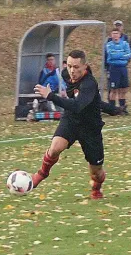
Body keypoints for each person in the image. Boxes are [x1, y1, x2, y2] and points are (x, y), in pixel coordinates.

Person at [32, 50, 107, 199]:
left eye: (76, 67)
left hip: (90, 128)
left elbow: (78, 105)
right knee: (55, 148)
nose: (72, 71)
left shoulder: (89, 84)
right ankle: (41, 173)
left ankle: (96, 188)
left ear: (85, 66)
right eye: (70, 66)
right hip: (71, 120)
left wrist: (51, 96)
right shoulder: (67, 75)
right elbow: (74, 107)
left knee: (97, 172)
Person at [106, 28, 131, 111]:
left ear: (120, 34)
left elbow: (128, 54)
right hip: (113, 68)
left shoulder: (125, 43)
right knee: (113, 90)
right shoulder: (109, 44)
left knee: (123, 89)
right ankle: (112, 109)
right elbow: (112, 55)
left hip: (123, 68)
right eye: (113, 33)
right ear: (111, 35)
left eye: (116, 33)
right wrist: (122, 55)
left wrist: (118, 55)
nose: (115, 35)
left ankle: (122, 108)